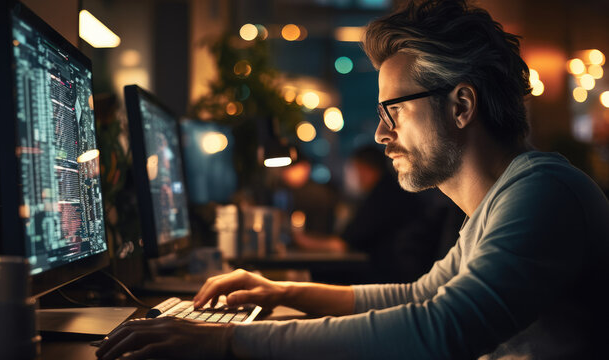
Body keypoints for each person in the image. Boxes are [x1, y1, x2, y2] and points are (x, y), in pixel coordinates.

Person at [96, 1, 609, 359]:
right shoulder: (505, 201)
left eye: (394, 110)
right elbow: (418, 296)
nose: (383, 135)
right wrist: (277, 292)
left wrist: (229, 343)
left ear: (461, 105)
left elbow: (440, 330)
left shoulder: (544, 193)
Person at [293, 144, 461, 284]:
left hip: (391, 275)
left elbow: (342, 244)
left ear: (364, 168)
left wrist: (301, 240)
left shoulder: (383, 194)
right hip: (407, 272)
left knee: (317, 276)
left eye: (354, 170)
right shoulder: (394, 189)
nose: (354, 176)